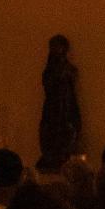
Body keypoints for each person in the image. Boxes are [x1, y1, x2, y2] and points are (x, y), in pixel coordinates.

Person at [38, 34, 82, 172]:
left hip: (66, 106)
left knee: (67, 132)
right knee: (50, 132)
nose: (55, 50)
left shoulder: (69, 69)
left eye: (58, 46)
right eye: (52, 47)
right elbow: (48, 85)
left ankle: (62, 156)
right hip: (52, 107)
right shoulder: (49, 70)